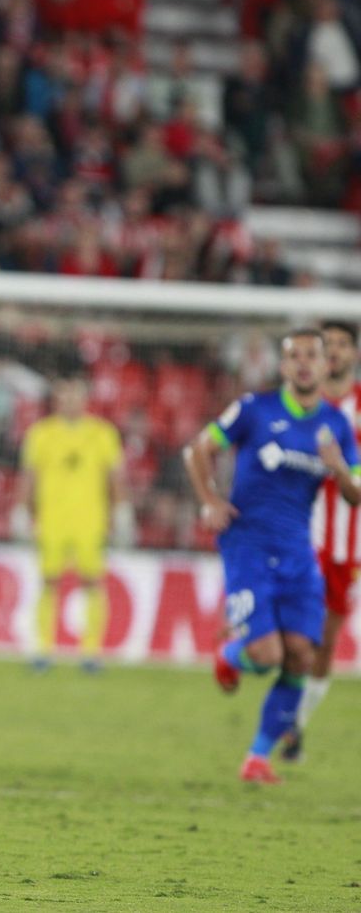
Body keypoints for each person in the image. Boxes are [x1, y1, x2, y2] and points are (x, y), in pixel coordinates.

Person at [182, 329, 361, 784]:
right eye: (294, 356)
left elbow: (354, 493)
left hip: (300, 551)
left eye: (312, 356)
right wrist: (210, 500)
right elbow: (198, 450)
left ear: (326, 367)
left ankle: (257, 757)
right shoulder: (253, 409)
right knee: (265, 654)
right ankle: (230, 654)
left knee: (302, 653)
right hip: (249, 543)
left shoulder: (338, 427)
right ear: (283, 367)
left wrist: (339, 466)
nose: (304, 364)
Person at [13, 375, 132, 673]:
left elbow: (115, 477)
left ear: (85, 399)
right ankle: (43, 650)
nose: (69, 401)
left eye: (75, 396)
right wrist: (20, 509)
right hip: (51, 519)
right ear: (56, 400)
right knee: (48, 582)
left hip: (90, 519)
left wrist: (122, 511)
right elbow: (29, 476)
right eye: (64, 396)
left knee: (92, 582)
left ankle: (90, 653)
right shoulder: (40, 433)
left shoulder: (103, 433)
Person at [284, 319, 361, 761]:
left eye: (341, 345)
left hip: (347, 544)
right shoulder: (298, 405)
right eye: (326, 344)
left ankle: (296, 723)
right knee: (293, 637)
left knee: (324, 642)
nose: (333, 351)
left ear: (353, 354)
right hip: (298, 534)